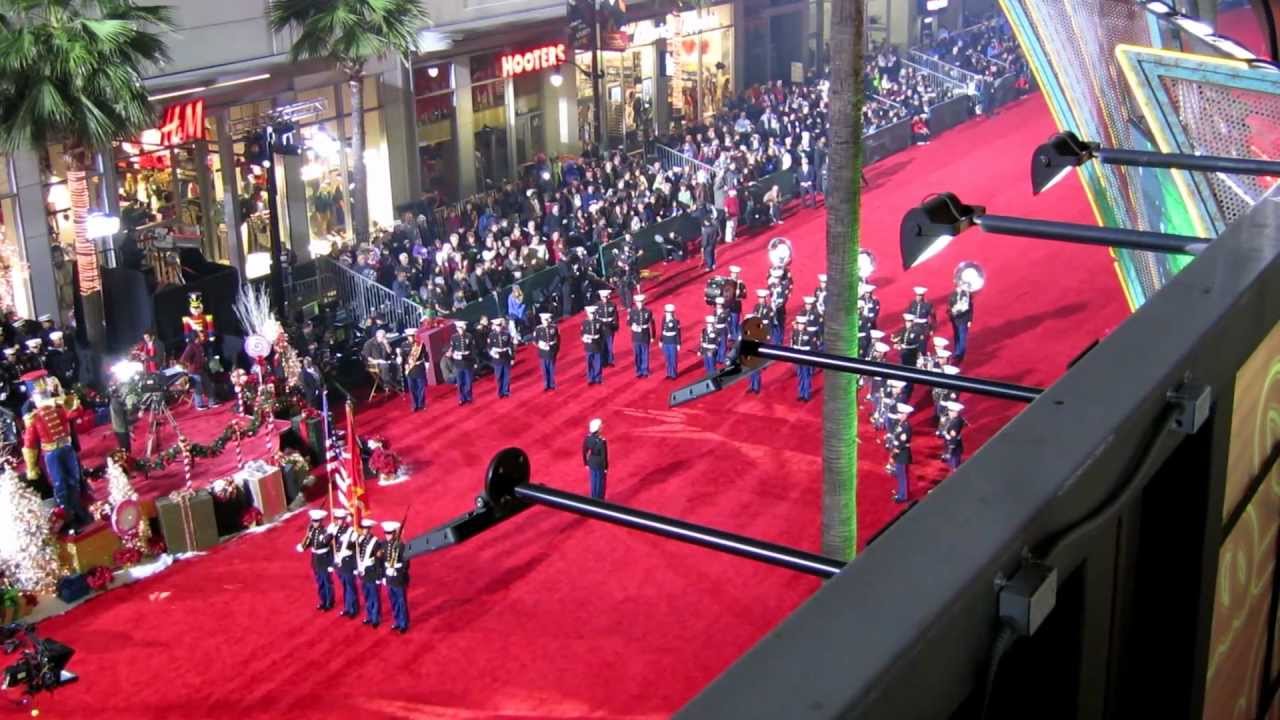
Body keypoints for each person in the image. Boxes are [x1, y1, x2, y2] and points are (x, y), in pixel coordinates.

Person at [23, 388, 91, 530]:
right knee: (60, 484)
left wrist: (63, 396)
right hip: (51, 453)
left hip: (67, 448)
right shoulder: (34, 418)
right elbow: (30, 444)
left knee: (74, 479)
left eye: (45, 395)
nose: (44, 398)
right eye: (41, 396)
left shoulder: (60, 409)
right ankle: (66, 514)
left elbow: (77, 412)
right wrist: (31, 466)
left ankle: (77, 508)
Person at [296, 509, 335, 612]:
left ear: (321, 521)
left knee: (327, 582)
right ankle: (323, 600)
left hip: (324, 559)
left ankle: (329, 602)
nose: (315, 523)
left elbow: (325, 543)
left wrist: (330, 534)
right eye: (313, 521)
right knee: (320, 582)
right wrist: (303, 546)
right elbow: (311, 542)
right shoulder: (312, 530)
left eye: (317, 521)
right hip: (315, 560)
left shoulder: (325, 531)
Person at [381, 520, 411, 634]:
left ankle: (404, 623)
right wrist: (384, 575)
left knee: (401, 601)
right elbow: (382, 561)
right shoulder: (384, 544)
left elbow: (406, 563)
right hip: (389, 578)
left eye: (389, 533)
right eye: (385, 533)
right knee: (393, 601)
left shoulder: (401, 546)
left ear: (394, 533)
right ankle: (397, 621)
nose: (387, 536)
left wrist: (396, 570)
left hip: (398, 578)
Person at [330, 508, 361, 619]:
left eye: (341, 519)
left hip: (348, 562)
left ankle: (354, 608)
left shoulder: (351, 531)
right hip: (340, 562)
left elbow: (353, 548)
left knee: (350, 586)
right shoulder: (336, 530)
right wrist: (329, 532)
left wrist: (353, 539)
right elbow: (327, 542)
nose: (340, 521)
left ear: (345, 519)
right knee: (345, 586)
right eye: (338, 519)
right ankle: (348, 607)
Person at [355, 518, 384, 629]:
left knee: (374, 596)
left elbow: (378, 561)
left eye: (367, 529)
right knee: (367, 595)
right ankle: (369, 615)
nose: (365, 530)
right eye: (363, 528)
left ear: (370, 529)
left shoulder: (375, 542)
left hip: (372, 572)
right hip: (364, 572)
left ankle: (375, 617)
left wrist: (379, 575)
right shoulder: (361, 540)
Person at [180, 331, 216, 410]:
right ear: (196, 337)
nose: (201, 337)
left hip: (201, 369)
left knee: (208, 385)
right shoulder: (191, 346)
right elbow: (183, 359)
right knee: (198, 388)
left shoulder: (199, 345)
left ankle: (212, 402)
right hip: (194, 371)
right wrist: (188, 367)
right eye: (199, 336)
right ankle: (199, 405)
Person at [888, 403, 914, 503]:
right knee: (901, 475)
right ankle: (901, 493)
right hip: (900, 452)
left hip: (902, 454)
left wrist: (894, 454)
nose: (898, 414)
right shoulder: (900, 424)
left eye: (900, 413)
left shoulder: (906, 427)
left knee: (902, 476)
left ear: (905, 415)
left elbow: (902, 443)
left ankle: (903, 496)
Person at [362, 328, 401, 393]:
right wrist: (378, 361)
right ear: (377, 336)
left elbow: (389, 352)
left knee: (396, 364)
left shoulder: (384, 341)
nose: (384, 338)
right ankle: (387, 383)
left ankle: (396, 381)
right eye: (383, 337)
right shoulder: (368, 343)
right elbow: (367, 357)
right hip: (374, 362)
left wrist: (386, 344)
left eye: (384, 336)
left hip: (384, 360)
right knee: (385, 366)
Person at [628, 294, 655, 379]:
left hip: (645, 335)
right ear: (635, 303)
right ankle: (638, 371)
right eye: (638, 302)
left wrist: (652, 336)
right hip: (636, 336)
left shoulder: (648, 311)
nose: (640, 304)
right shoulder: (632, 311)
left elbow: (652, 324)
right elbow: (629, 322)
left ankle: (645, 370)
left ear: (644, 302)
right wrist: (633, 326)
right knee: (637, 354)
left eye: (641, 302)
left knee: (645, 354)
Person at [449, 321, 475, 405]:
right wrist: (453, 354)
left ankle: (468, 397)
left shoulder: (469, 336)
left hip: (467, 363)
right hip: (458, 364)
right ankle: (461, 398)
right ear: (457, 329)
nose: (460, 330)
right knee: (460, 382)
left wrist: (473, 360)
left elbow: (473, 350)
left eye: (462, 328)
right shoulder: (454, 337)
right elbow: (453, 349)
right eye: (459, 328)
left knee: (468, 382)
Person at [488, 317, 515, 398]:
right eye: (497, 326)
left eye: (499, 325)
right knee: (499, 376)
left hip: (506, 357)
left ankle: (506, 391)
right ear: (494, 326)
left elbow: (511, 346)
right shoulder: (491, 336)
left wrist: (512, 358)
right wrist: (493, 353)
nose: (498, 327)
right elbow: (489, 347)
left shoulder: (506, 334)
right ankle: (500, 392)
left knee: (506, 376)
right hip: (497, 359)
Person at [582, 418, 608, 499]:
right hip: (600, 464)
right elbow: (604, 456)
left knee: (593, 481)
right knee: (600, 483)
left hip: (591, 462)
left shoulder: (588, 438)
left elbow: (584, 451)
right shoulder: (602, 441)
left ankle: (593, 498)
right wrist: (606, 467)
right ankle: (599, 499)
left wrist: (585, 463)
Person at [948, 280, 974, 362]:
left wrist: (970, 320)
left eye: (960, 285)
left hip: (963, 319)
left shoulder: (966, 295)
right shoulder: (953, 294)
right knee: (956, 336)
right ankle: (956, 351)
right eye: (958, 285)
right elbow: (950, 305)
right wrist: (951, 311)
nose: (959, 286)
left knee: (962, 337)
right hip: (955, 319)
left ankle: (960, 354)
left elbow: (970, 309)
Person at [403, 330, 428, 412]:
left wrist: (427, 366)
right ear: (407, 337)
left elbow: (426, 355)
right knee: (412, 388)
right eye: (410, 336)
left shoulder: (420, 344)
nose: (411, 338)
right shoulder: (404, 345)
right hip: (410, 369)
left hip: (419, 367)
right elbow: (403, 357)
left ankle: (421, 404)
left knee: (421, 387)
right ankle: (414, 405)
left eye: (413, 336)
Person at [534, 313, 559, 391]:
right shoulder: (538, 329)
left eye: (548, 319)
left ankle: (552, 384)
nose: (547, 321)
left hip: (551, 351)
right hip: (543, 352)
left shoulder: (554, 327)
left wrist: (555, 348)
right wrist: (540, 345)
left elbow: (557, 339)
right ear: (542, 320)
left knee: (551, 368)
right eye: (545, 320)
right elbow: (535, 341)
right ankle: (546, 384)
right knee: (544, 369)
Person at [940, 401, 967, 469]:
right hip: (950, 444)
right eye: (949, 410)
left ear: (956, 412)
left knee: (954, 465)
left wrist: (950, 450)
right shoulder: (953, 419)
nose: (949, 412)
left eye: (951, 411)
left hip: (954, 446)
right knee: (952, 463)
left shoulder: (956, 422)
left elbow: (953, 437)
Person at [581, 306, 604, 385]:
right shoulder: (584, 323)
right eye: (591, 314)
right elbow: (582, 334)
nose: (592, 315)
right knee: (589, 363)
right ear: (587, 314)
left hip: (597, 345)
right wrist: (586, 339)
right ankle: (590, 378)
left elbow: (602, 334)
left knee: (598, 363)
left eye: (593, 313)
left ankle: (598, 378)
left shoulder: (599, 322)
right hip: (589, 346)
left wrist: (598, 339)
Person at [793, 313, 814, 402]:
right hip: (798, 358)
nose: (799, 326)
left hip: (806, 358)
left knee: (806, 376)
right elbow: (794, 344)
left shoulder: (809, 334)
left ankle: (807, 395)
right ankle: (801, 393)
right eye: (798, 324)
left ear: (805, 325)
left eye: (801, 324)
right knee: (800, 376)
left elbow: (813, 347)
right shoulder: (795, 333)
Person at [597, 289, 619, 368]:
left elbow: (615, 316)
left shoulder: (612, 305)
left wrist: (616, 326)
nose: (605, 299)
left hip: (610, 328)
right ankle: (603, 361)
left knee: (609, 345)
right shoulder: (597, 306)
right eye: (603, 297)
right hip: (601, 328)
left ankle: (610, 361)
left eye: (606, 297)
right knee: (602, 345)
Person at [858, 284, 880, 359]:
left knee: (870, 341)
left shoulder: (874, 301)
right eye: (866, 293)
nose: (868, 294)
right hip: (862, 324)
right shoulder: (860, 300)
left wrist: (869, 320)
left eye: (869, 293)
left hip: (871, 324)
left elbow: (875, 312)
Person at [660, 304, 681, 380]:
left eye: (670, 312)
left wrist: (678, 343)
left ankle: (674, 374)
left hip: (672, 341)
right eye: (667, 312)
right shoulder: (664, 319)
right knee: (667, 358)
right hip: (666, 341)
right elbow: (662, 330)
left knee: (673, 358)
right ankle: (669, 373)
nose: (668, 314)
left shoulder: (675, 321)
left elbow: (678, 333)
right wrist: (661, 340)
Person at [725, 265, 746, 342]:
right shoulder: (727, 282)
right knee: (727, 323)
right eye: (733, 273)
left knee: (735, 324)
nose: (735, 275)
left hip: (735, 307)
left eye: (736, 274)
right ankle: (729, 337)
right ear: (731, 274)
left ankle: (735, 339)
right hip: (727, 306)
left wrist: (739, 293)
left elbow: (744, 295)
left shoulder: (740, 284)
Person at [713, 297, 730, 365]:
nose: (718, 306)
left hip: (723, 329)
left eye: (719, 304)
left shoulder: (726, 312)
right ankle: (717, 357)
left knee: (723, 344)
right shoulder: (715, 311)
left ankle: (722, 358)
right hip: (716, 329)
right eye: (717, 304)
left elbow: (727, 323)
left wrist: (729, 332)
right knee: (717, 343)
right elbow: (713, 321)